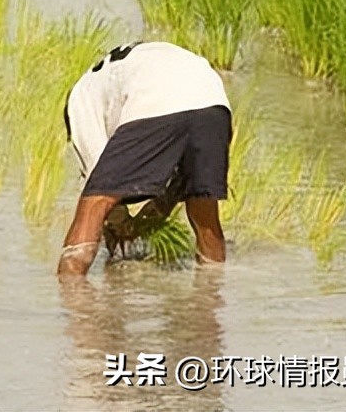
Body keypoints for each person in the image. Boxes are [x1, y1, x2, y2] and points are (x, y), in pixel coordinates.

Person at [57, 41, 230, 277]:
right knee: (204, 210)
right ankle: (211, 290)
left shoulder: (79, 101)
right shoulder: (113, 75)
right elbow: (176, 184)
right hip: (214, 99)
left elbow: (99, 182)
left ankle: (70, 290)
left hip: (156, 96)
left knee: (93, 206)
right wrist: (150, 217)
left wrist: (120, 223)